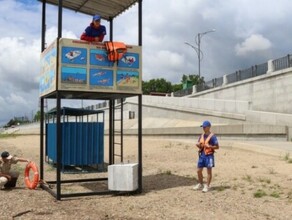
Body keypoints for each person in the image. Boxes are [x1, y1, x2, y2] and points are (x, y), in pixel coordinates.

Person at [193, 120, 219, 192]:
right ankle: (201, 184)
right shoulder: (201, 136)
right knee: (198, 171)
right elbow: (201, 146)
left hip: (209, 156)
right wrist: (198, 146)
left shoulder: (213, 136)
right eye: (203, 127)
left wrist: (210, 146)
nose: (203, 128)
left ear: (209, 127)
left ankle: (207, 186)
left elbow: (217, 147)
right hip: (202, 155)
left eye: (205, 127)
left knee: (209, 171)